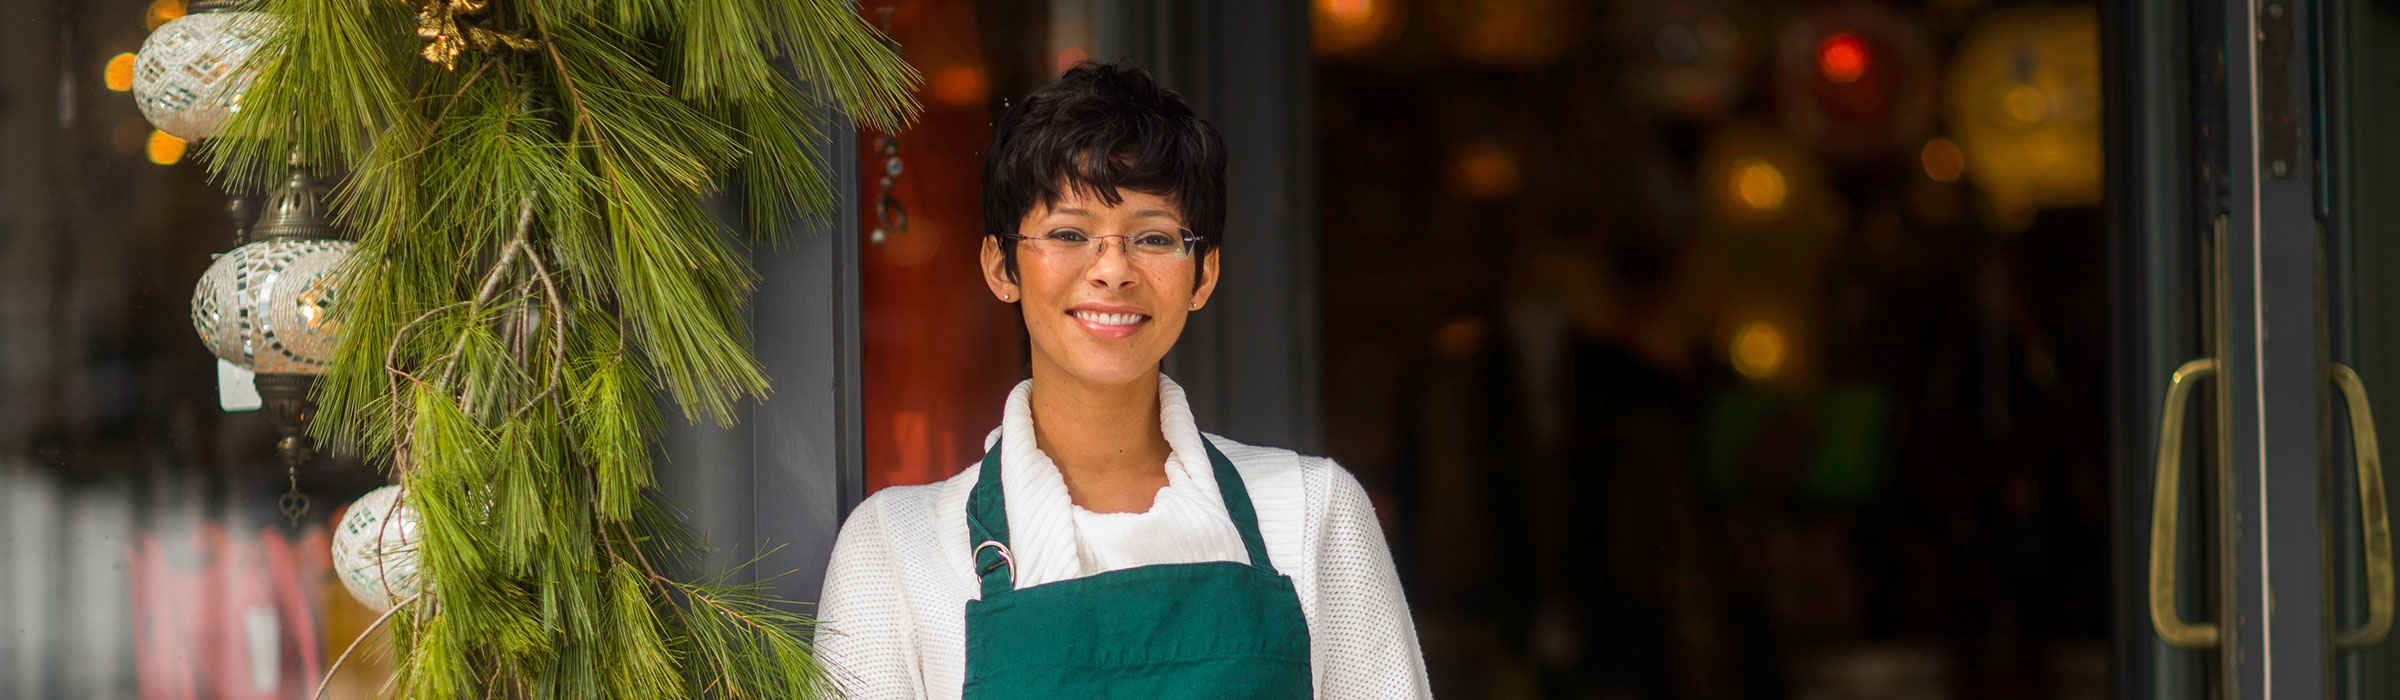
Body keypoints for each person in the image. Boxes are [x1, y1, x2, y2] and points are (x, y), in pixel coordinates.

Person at [815, 63, 1433, 699]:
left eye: (1154, 237)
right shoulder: (897, 546)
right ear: (1002, 267)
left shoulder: (1311, 511)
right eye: (1070, 233)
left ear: (1203, 274)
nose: (1112, 269)